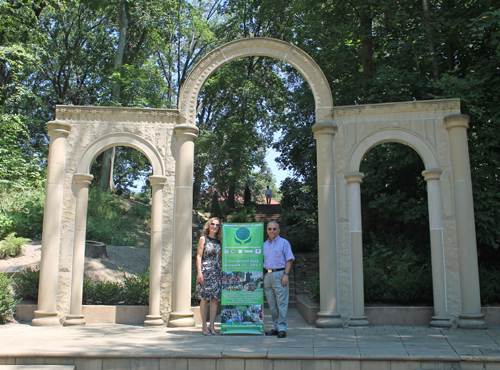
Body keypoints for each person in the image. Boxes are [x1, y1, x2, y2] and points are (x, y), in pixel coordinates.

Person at [263, 221, 294, 338]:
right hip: (268, 275)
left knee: (282, 303)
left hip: (280, 274)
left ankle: (282, 328)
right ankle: (275, 327)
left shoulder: (284, 243)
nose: (272, 231)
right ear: (267, 230)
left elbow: (289, 259)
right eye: (270, 229)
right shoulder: (264, 245)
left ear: (279, 230)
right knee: (272, 304)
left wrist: (286, 274)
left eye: (274, 229)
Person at [196, 217, 222, 335]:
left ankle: (212, 325)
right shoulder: (203, 239)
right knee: (204, 299)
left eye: (217, 225)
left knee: (214, 299)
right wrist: (199, 272)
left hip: (216, 271)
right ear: (208, 225)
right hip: (205, 271)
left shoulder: (219, 241)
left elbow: (220, 257)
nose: (215, 226)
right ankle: (204, 325)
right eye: (213, 224)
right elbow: (199, 256)